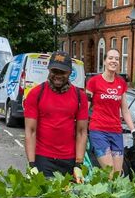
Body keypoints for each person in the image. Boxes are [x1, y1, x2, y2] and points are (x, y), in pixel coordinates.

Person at [24, 50, 88, 181]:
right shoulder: (36, 94)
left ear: (69, 72)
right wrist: (31, 164)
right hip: (43, 158)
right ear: (48, 70)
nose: (58, 75)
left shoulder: (80, 96)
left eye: (62, 72)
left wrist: (78, 164)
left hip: (69, 160)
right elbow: (30, 131)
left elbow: (81, 132)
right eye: (54, 71)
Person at [86, 49, 135, 174]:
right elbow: (86, 107)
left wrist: (134, 131)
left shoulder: (121, 83)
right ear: (105, 61)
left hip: (116, 131)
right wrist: (80, 128)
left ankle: (107, 193)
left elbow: (125, 110)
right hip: (98, 131)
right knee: (109, 172)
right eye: (111, 58)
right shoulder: (93, 82)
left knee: (118, 174)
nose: (114, 61)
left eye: (117, 59)